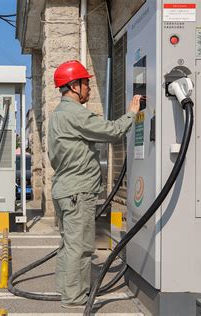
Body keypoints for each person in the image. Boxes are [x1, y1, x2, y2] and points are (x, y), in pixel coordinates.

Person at [48, 60, 141, 309]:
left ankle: (66, 290)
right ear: (73, 85)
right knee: (80, 247)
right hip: (78, 191)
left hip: (64, 189)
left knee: (69, 245)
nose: (89, 88)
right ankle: (75, 297)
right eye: (86, 83)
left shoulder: (58, 114)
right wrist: (132, 112)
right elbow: (111, 131)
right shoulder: (75, 113)